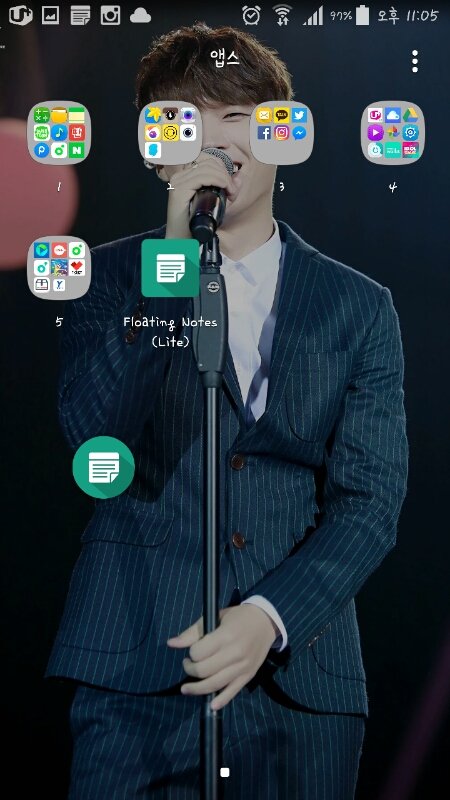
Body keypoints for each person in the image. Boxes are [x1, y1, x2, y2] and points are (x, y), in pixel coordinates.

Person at [45, 23, 409, 800]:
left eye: (238, 117)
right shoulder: (106, 280)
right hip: (137, 674)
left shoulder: (358, 306)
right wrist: (174, 264)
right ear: (156, 153)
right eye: (187, 121)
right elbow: (96, 439)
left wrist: (268, 617)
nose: (215, 140)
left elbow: (371, 503)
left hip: (299, 687)